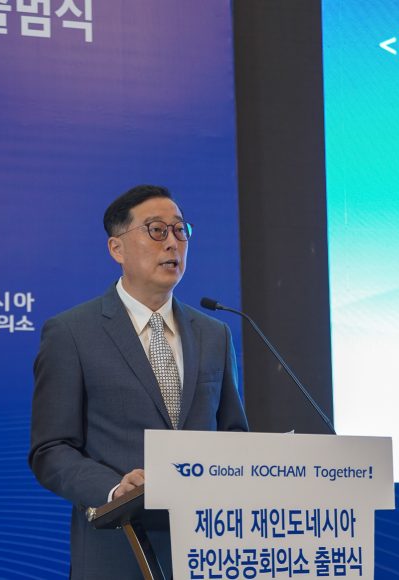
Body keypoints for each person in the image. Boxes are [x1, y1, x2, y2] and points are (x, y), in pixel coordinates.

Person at [29, 184, 249, 579]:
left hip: (207, 550)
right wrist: (115, 490)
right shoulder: (72, 333)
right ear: (117, 249)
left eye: (180, 230)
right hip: (116, 549)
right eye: (156, 230)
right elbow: (51, 449)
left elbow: (233, 435)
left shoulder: (214, 334)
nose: (172, 243)